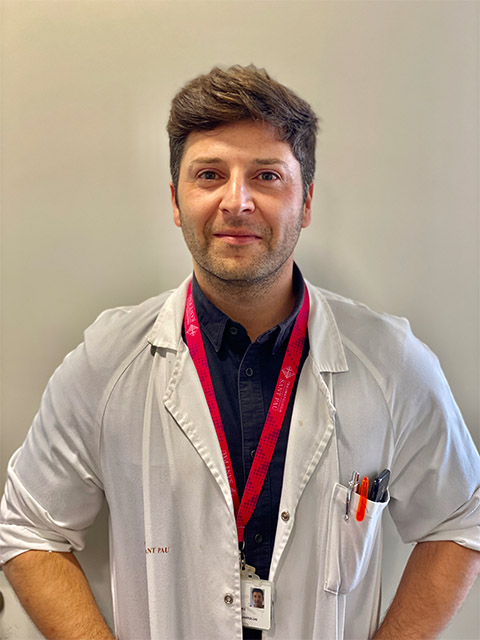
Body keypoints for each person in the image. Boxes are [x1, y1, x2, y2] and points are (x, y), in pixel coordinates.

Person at [1, 64, 479, 640]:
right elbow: (28, 527)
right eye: (209, 174)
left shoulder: (392, 363)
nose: (237, 201)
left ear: (306, 203)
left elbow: (461, 518)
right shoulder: (106, 363)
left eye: (267, 176)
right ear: (176, 201)